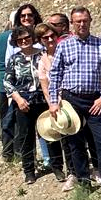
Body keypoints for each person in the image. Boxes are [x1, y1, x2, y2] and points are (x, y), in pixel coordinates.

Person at [48, 6, 101, 194]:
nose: (82, 24)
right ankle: (84, 182)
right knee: (75, 143)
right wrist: (54, 102)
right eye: (78, 21)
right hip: (71, 101)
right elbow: (55, 75)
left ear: (90, 21)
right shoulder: (63, 45)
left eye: (85, 20)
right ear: (72, 23)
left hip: (95, 101)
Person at [5, 26, 63, 184]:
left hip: (43, 99)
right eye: (20, 39)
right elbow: (8, 82)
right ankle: (29, 171)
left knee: (50, 133)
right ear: (16, 42)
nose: (24, 41)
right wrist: (18, 99)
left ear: (32, 38)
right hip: (23, 102)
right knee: (26, 137)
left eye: (27, 38)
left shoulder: (42, 56)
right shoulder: (14, 59)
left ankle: (57, 166)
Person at [33, 22, 67, 184]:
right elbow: (44, 86)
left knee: (70, 133)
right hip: (52, 101)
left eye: (52, 35)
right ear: (41, 41)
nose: (50, 39)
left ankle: (74, 168)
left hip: (69, 98)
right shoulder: (42, 61)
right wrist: (52, 103)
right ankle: (57, 167)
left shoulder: (66, 52)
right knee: (53, 135)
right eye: (45, 37)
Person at [0, 11, 15, 161]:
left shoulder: (0, 37)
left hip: (2, 81)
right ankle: (21, 152)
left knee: (5, 118)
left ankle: (7, 152)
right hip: (17, 82)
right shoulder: (20, 37)